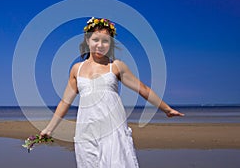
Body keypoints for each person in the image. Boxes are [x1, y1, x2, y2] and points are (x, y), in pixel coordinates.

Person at [40, 17, 184, 168]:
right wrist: (49, 129)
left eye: (105, 41)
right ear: (88, 40)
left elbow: (143, 89)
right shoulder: (77, 69)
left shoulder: (116, 66)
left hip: (112, 130)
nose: (100, 45)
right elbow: (65, 102)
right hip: (86, 132)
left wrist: (166, 109)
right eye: (96, 40)